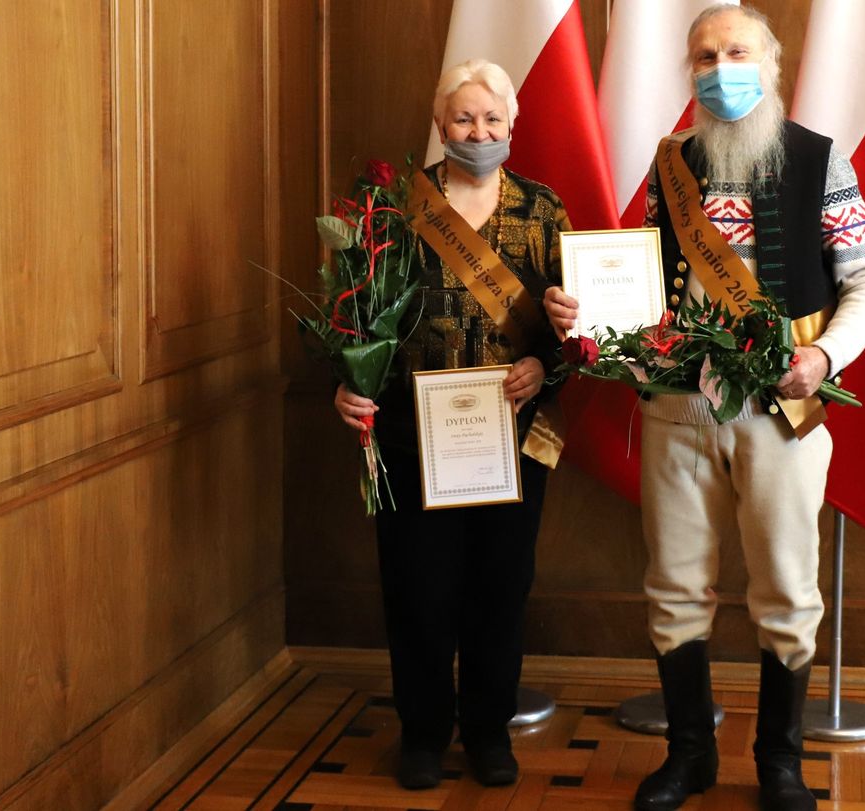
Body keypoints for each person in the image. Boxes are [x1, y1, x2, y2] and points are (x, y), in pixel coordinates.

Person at [546, 5, 865, 810]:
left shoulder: (819, 160)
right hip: (677, 409)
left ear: (769, 65)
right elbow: (636, 288)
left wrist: (825, 355)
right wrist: (580, 316)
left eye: (736, 52)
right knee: (673, 585)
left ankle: (780, 763)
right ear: (689, 73)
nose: (719, 68)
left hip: (783, 412)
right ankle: (689, 754)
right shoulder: (673, 165)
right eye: (704, 56)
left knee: (787, 589)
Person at [334, 58, 570, 791]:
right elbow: (350, 312)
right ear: (440, 125)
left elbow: (578, 325)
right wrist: (345, 384)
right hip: (411, 437)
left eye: (493, 119)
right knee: (419, 589)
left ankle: (490, 732)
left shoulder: (544, 210)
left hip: (511, 435)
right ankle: (424, 733)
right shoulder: (393, 206)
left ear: (513, 125)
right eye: (465, 118)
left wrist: (546, 365)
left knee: (501, 588)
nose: (479, 131)